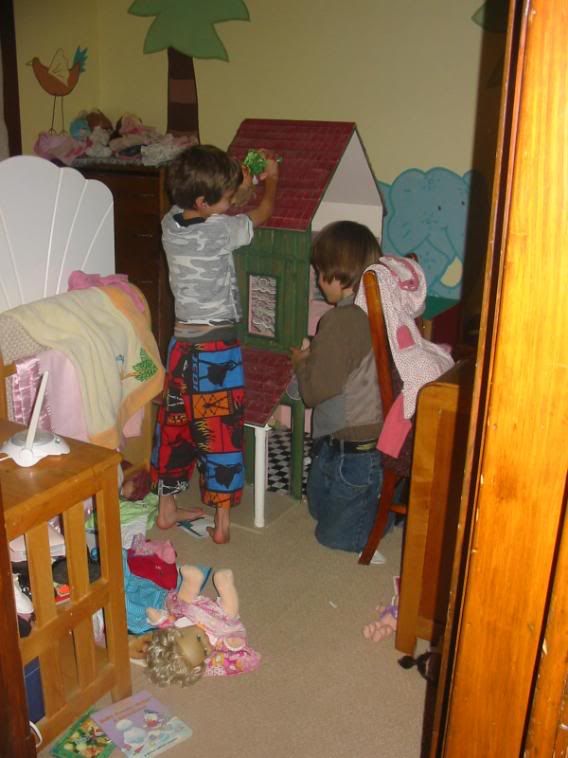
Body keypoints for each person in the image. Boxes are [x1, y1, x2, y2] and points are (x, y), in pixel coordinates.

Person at [151, 144, 279, 543]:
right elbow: (261, 214)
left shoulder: (170, 222)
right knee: (220, 429)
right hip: (216, 350)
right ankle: (222, 522)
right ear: (206, 203)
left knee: (175, 426)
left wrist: (242, 183)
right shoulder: (222, 230)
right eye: (225, 199)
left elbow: (222, 202)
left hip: (181, 348)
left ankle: (167, 509)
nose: (231, 203)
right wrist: (270, 180)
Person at [291, 220, 383, 553]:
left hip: (355, 452)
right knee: (317, 510)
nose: (318, 280)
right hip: (342, 446)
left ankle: (389, 512)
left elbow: (313, 393)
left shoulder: (340, 321)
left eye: (321, 273)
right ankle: (378, 498)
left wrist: (302, 362)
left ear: (340, 275)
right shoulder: (373, 311)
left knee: (335, 538)